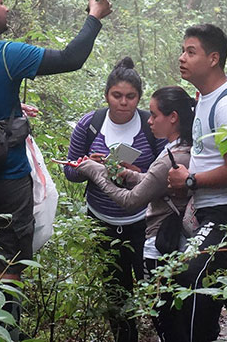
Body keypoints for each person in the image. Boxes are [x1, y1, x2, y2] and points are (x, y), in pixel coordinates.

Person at [0, 0, 111, 340]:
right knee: (10, 266)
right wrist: (94, 16)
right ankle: (6, 334)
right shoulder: (6, 54)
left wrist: (11, 107)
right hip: (7, 181)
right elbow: (71, 58)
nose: (6, 9)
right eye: (2, 3)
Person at [73, 86, 196, 341]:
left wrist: (97, 173)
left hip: (160, 240)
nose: (148, 120)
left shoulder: (173, 156)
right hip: (165, 239)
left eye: (153, 115)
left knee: (165, 319)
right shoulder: (181, 148)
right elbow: (152, 180)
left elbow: (131, 201)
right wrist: (125, 174)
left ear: (172, 117)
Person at [167, 23, 227, 341]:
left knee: (190, 279)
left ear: (213, 58)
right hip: (213, 211)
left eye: (190, 51)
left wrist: (190, 180)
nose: (182, 57)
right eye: (182, 50)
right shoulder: (207, 98)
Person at [64, 57, 165, 342]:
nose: (123, 102)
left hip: (144, 221)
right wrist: (89, 166)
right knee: (115, 290)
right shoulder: (90, 125)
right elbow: (69, 172)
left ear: (139, 98)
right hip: (101, 221)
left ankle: (164, 333)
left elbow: (168, 169)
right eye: (117, 95)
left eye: (130, 97)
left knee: (153, 283)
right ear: (107, 95)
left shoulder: (150, 125)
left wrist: (138, 173)